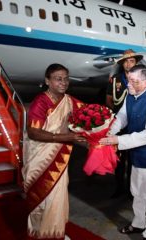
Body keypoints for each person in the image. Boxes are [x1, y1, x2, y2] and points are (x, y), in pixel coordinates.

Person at [99, 64, 146, 240]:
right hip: (137, 157)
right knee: (137, 194)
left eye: (133, 81)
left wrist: (118, 140)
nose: (128, 85)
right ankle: (139, 223)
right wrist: (109, 132)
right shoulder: (131, 97)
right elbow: (122, 117)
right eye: (128, 80)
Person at [22, 63, 86, 240]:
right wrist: (67, 138)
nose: (63, 82)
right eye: (58, 79)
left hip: (59, 158)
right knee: (41, 200)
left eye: (66, 79)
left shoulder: (70, 101)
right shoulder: (41, 102)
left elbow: (89, 114)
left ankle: (53, 233)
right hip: (39, 157)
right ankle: (38, 232)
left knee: (56, 198)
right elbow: (34, 132)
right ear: (47, 81)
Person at [106, 49, 143, 198]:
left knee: (133, 159)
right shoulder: (115, 79)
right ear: (122, 64)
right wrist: (113, 116)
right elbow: (109, 98)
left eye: (132, 61)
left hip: (134, 124)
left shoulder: (141, 79)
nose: (129, 64)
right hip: (119, 124)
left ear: (136, 63)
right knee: (119, 159)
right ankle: (119, 187)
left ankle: (131, 189)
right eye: (126, 61)